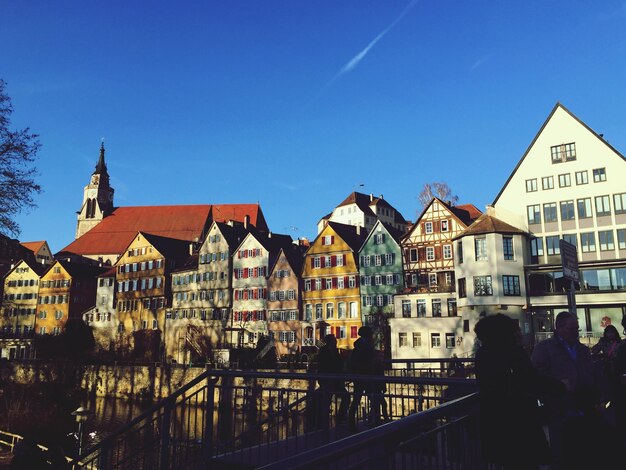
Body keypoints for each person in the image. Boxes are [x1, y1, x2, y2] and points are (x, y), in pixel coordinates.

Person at [474, 314, 564, 470]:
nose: (520, 334)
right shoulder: (513, 352)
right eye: (515, 330)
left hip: (497, 420)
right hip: (520, 420)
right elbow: (531, 378)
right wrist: (560, 386)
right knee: (526, 461)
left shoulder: (484, 353)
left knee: (510, 461)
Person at [531, 311, 611, 470]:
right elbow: (537, 376)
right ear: (559, 328)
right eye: (571, 329)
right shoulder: (545, 349)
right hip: (560, 409)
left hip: (584, 406)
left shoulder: (581, 349)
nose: (575, 332)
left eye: (576, 329)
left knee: (583, 452)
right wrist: (557, 386)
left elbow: (592, 374)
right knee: (562, 454)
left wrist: (599, 396)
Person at [316, 334, 350, 425]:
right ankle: (323, 422)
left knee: (345, 397)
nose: (336, 342)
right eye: (334, 341)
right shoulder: (324, 351)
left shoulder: (335, 351)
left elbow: (338, 364)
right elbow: (324, 366)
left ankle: (339, 418)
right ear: (330, 342)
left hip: (335, 380)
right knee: (327, 401)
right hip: (327, 380)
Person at [347, 326, 376, 431]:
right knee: (372, 398)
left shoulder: (360, 345)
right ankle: (373, 420)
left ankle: (351, 423)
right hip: (364, 375)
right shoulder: (365, 346)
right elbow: (367, 359)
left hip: (360, 376)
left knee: (357, 399)